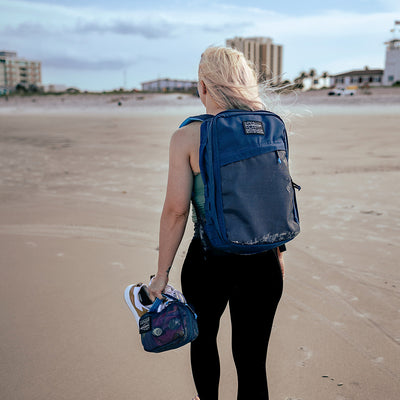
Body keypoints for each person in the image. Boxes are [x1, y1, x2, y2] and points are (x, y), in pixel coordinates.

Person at [148, 47, 286, 400]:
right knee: (253, 361)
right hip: (265, 257)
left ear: (204, 87)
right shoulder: (268, 128)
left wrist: (161, 275)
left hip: (210, 258)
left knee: (204, 342)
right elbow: (271, 197)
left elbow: (176, 211)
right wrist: (278, 258)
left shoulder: (187, 137)